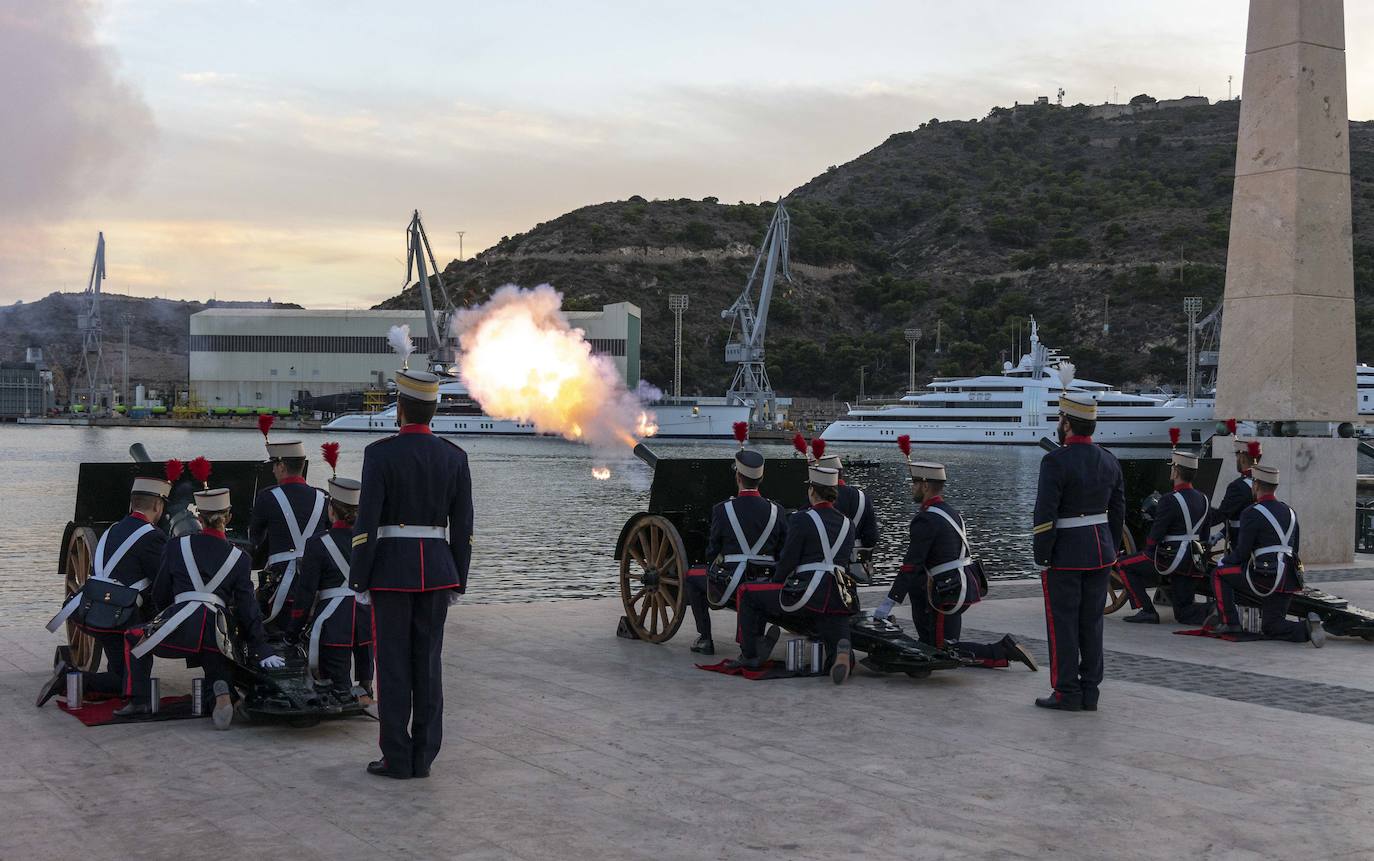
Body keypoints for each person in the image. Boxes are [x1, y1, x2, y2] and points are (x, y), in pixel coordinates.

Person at [350, 369, 473, 779]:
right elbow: (464, 527)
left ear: (399, 409)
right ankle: (423, 757)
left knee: (393, 667)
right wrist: (459, 576)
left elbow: (365, 523)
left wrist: (359, 579)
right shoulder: (455, 456)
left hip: (390, 570)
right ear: (435, 409)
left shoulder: (379, 454)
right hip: (438, 570)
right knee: (429, 665)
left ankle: (396, 757)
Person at [129, 487, 284, 727]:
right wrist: (259, 645)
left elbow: (159, 592)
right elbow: (247, 608)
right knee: (216, 657)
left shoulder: (175, 546)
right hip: (215, 628)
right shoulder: (240, 557)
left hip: (179, 625)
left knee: (134, 637)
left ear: (199, 517)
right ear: (229, 517)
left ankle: (140, 699)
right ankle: (222, 695)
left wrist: (169, 617)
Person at [871, 461, 1037, 671]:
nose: (911, 488)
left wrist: (888, 603)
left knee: (941, 651)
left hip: (943, 594)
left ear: (925, 486)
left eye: (914, 483)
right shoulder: (951, 512)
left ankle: (1002, 650)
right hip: (959, 585)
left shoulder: (926, 519)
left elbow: (911, 565)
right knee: (937, 645)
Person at [39, 476, 171, 710]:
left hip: (94, 612)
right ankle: (71, 679)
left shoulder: (111, 531)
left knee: (120, 676)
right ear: (158, 506)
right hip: (125, 619)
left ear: (132, 504)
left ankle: (74, 680)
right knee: (130, 682)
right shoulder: (153, 537)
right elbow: (162, 582)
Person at [1032, 391, 1125, 712]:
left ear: (1068, 424)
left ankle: (1066, 691)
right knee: (1091, 624)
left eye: (1061, 419)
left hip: (1066, 555)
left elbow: (1045, 516)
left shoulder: (1054, 461)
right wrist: (1111, 549)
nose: (1059, 424)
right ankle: (1090, 691)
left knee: (1063, 625)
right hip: (1101, 553)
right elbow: (1118, 513)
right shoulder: (1110, 460)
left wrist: (1042, 555)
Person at [731, 465, 857, 685]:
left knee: (748, 592)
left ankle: (749, 653)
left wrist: (776, 582)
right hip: (838, 595)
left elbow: (789, 560)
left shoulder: (802, 519)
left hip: (808, 592)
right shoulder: (848, 523)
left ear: (812, 491)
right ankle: (842, 653)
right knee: (834, 626)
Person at [684, 450, 785, 656]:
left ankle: (705, 638)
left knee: (692, 576)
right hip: (764, 580)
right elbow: (782, 549)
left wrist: (714, 566)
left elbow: (712, 551)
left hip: (730, 580)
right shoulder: (777, 510)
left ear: (738, 477)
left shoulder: (722, 509)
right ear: (761, 479)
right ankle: (755, 636)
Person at [1210, 464, 1323, 646]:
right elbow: (1295, 548)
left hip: (1264, 576)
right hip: (1289, 579)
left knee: (1218, 574)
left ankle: (1230, 623)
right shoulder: (1290, 512)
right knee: (1272, 626)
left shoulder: (1251, 512)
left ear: (1256, 485)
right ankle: (1307, 628)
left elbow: (1242, 552)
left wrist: (1224, 561)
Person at [293, 476, 374, 701]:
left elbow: (306, 592)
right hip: (365, 617)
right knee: (365, 661)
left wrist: (293, 630)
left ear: (331, 510)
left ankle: (345, 692)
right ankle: (366, 688)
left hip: (334, 621)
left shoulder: (317, 543)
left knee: (337, 684)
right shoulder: (371, 541)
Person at [1118, 450, 1214, 626]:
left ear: (1176, 472)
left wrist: (1148, 552)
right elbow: (1205, 535)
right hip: (1193, 561)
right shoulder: (1204, 499)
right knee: (1184, 613)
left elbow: (1156, 535)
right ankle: (1214, 610)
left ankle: (1146, 610)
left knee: (1124, 564)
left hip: (1170, 559)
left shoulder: (1169, 499)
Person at [249, 440, 328, 632]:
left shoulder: (267, 496)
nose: (273, 471)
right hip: (316, 582)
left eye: (275, 466)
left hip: (279, 585)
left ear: (282, 466)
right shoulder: (323, 497)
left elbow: (255, 539)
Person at [817, 453, 879, 596]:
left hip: (822, 566)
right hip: (853, 564)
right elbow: (872, 537)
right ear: (841, 473)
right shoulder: (863, 498)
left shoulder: (817, 500)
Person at [1217, 438, 1262, 549]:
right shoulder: (1264, 483)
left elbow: (1222, 514)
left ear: (1241, 458)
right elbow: (1239, 518)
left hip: (1242, 547)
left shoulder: (1237, 487)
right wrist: (1221, 534)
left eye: (1237, 456)